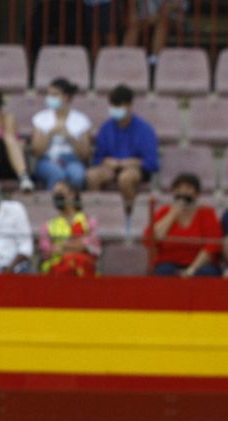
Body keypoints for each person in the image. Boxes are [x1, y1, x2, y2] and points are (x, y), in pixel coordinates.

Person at [85, 85, 158, 215]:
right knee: (92, 176)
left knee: (125, 178)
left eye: (120, 106)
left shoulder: (144, 130)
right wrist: (106, 161)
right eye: (114, 106)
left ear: (130, 106)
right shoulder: (106, 128)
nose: (116, 109)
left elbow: (151, 163)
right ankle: (95, 215)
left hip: (135, 169)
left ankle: (129, 216)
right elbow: (98, 158)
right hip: (111, 167)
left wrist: (131, 163)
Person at [150, 172, 221, 277]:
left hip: (200, 264)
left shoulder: (207, 213)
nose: (183, 192)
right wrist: (172, 214)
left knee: (206, 273)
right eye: (178, 188)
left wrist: (191, 269)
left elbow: (212, 245)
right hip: (169, 262)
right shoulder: (164, 212)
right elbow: (153, 238)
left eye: (188, 188)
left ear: (196, 193)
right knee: (164, 272)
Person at [30, 77, 92, 191]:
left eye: (55, 95)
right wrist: (50, 133)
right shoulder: (40, 118)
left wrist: (70, 137)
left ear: (66, 97)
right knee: (57, 175)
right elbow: (36, 151)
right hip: (47, 160)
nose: (50, 98)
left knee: (78, 175)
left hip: (73, 160)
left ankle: (73, 206)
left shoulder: (81, 120)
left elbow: (85, 154)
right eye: (49, 94)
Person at [38, 179, 100, 277]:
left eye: (60, 192)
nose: (57, 196)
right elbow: (47, 251)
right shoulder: (48, 225)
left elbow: (93, 248)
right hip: (56, 270)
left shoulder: (88, 221)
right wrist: (76, 246)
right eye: (55, 194)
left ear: (72, 194)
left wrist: (63, 246)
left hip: (83, 269)